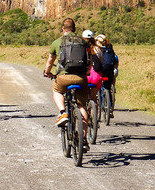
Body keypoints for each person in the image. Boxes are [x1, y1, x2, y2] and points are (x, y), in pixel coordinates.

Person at [44, 18, 90, 147]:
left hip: (63, 77)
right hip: (81, 78)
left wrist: (48, 72)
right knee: (82, 106)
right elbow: (90, 60)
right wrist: (86, 72)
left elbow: (50, 61)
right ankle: (84, 140)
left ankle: (63, 112)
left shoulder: (57, 42)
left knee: (56, 90)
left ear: (63, 29)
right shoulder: (83, 42)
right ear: (74, 29)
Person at [95, 34, 118, 117]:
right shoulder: (110, 48)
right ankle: (110, 109)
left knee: (99, 86)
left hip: (102, 71)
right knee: (108, 87)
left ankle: (101, 104)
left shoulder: (97, 49)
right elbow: (115, 61)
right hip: (110, 71)